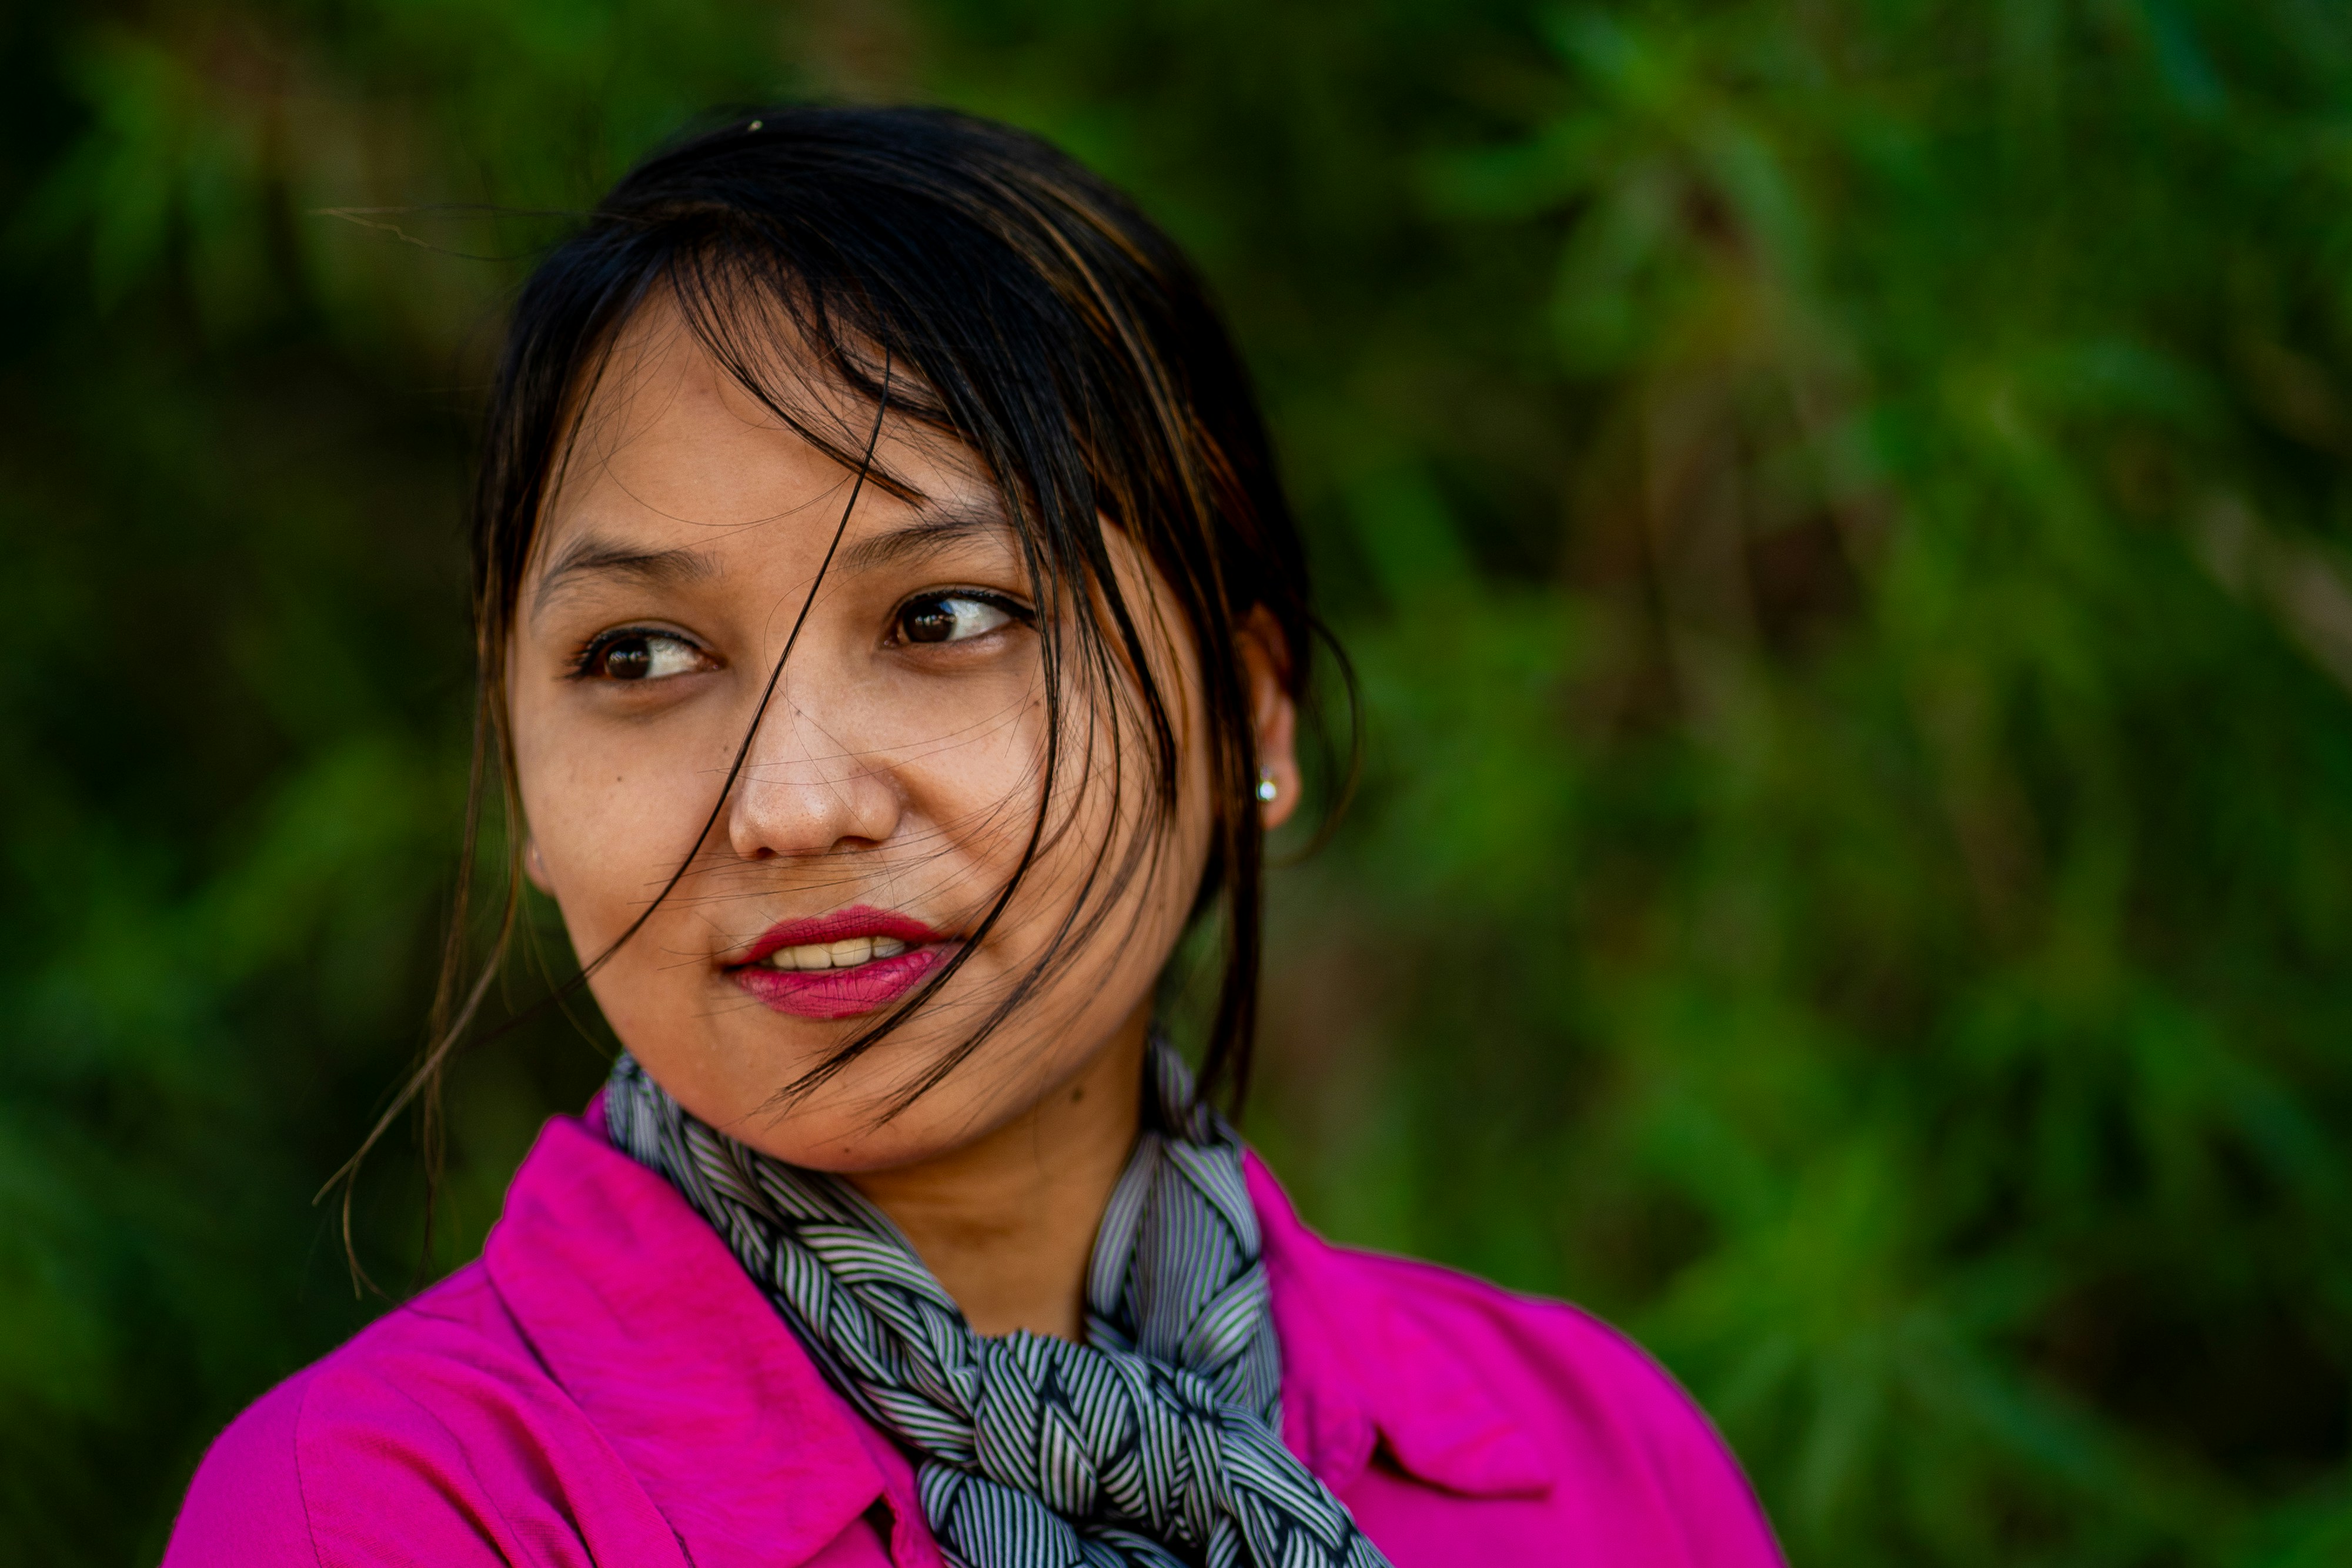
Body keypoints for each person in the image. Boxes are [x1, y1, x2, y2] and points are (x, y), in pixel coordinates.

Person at [162, 106, 1783, 1568]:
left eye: (944, 616)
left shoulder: (1588, 1460)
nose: (791, 805)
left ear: (1247, 718)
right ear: (522, 769)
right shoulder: (387, 1516)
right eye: (637, 656)